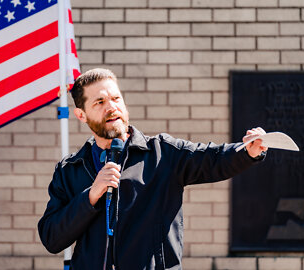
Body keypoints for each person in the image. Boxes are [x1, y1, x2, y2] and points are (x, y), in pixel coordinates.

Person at [38, 68, 268, 270]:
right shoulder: (70, 170)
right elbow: (51, 237)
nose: (111, 107)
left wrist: (248, 150)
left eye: (116, 98)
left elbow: (213, 159)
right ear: (81, 115)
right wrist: (90, 195)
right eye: (99, 102)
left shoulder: (162, 153)